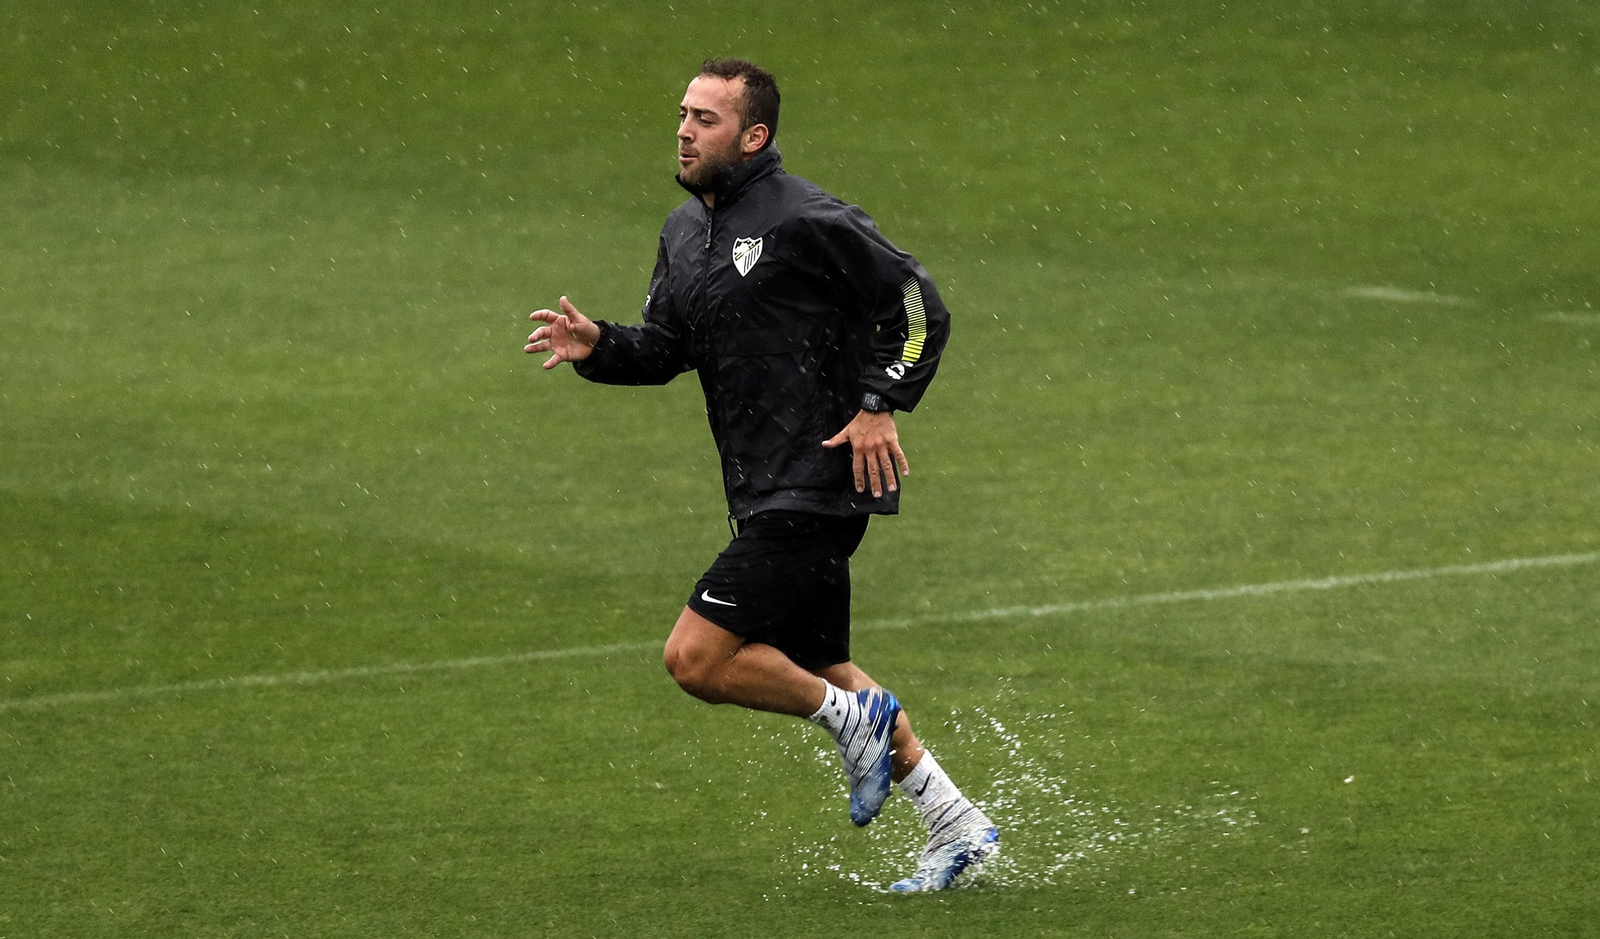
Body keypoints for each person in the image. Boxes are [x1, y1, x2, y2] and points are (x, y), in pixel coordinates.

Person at [523, 58, 997, 891]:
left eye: (705, 118)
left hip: (817, 482)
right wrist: (600, 345)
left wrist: (882, 400)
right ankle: (956, 821)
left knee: (696, 659)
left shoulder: (808, 217)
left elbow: (918, 301)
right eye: (682, 113)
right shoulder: (682, 233)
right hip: (761, 489)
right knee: (824, 663)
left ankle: (855, 722)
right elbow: (669, 349)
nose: (683, 128)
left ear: (754, 136)